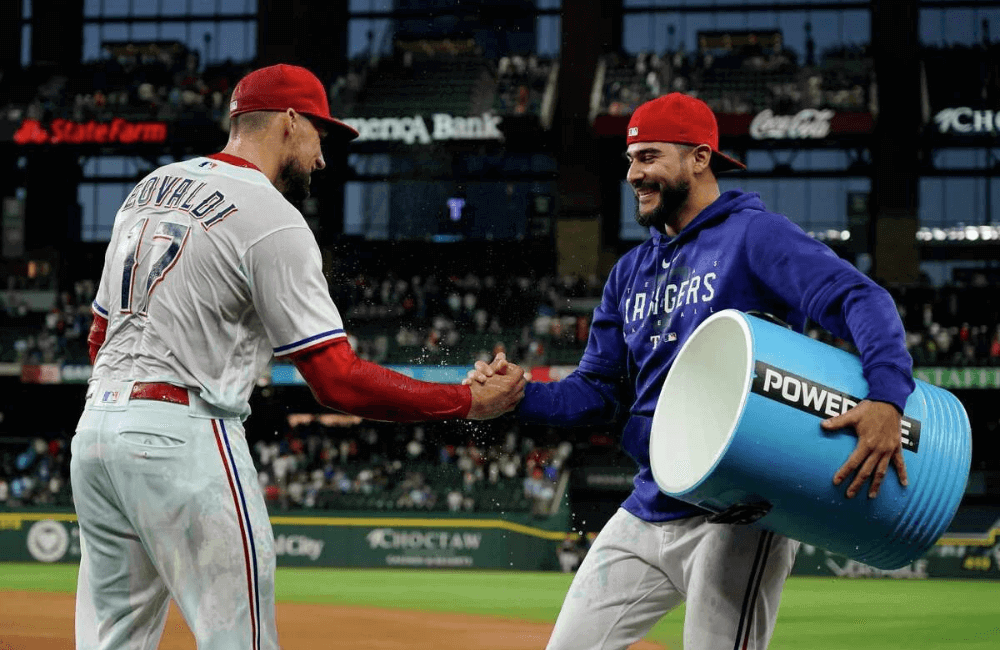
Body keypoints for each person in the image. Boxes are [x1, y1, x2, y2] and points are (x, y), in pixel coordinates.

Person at [72, 63, 525, 650]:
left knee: (113, 642)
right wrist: (464, 400)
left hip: (97, 433)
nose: (323, 158)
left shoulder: (147, 189)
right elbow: (336, 383)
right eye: (320, 135)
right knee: (243, 641)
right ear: (289, 121)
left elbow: (98, 335)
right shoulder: (269, 215)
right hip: (181, 436)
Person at [466, 92, 914, 650]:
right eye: (631, 160)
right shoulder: (629, 272)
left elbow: (861, 298)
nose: (634, 174)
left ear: (699, 158)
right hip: (651, 500)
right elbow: (598, 392)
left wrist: (889, 399)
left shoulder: (754, 235)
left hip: (740, 507)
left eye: (649, 157)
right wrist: (521, 396)